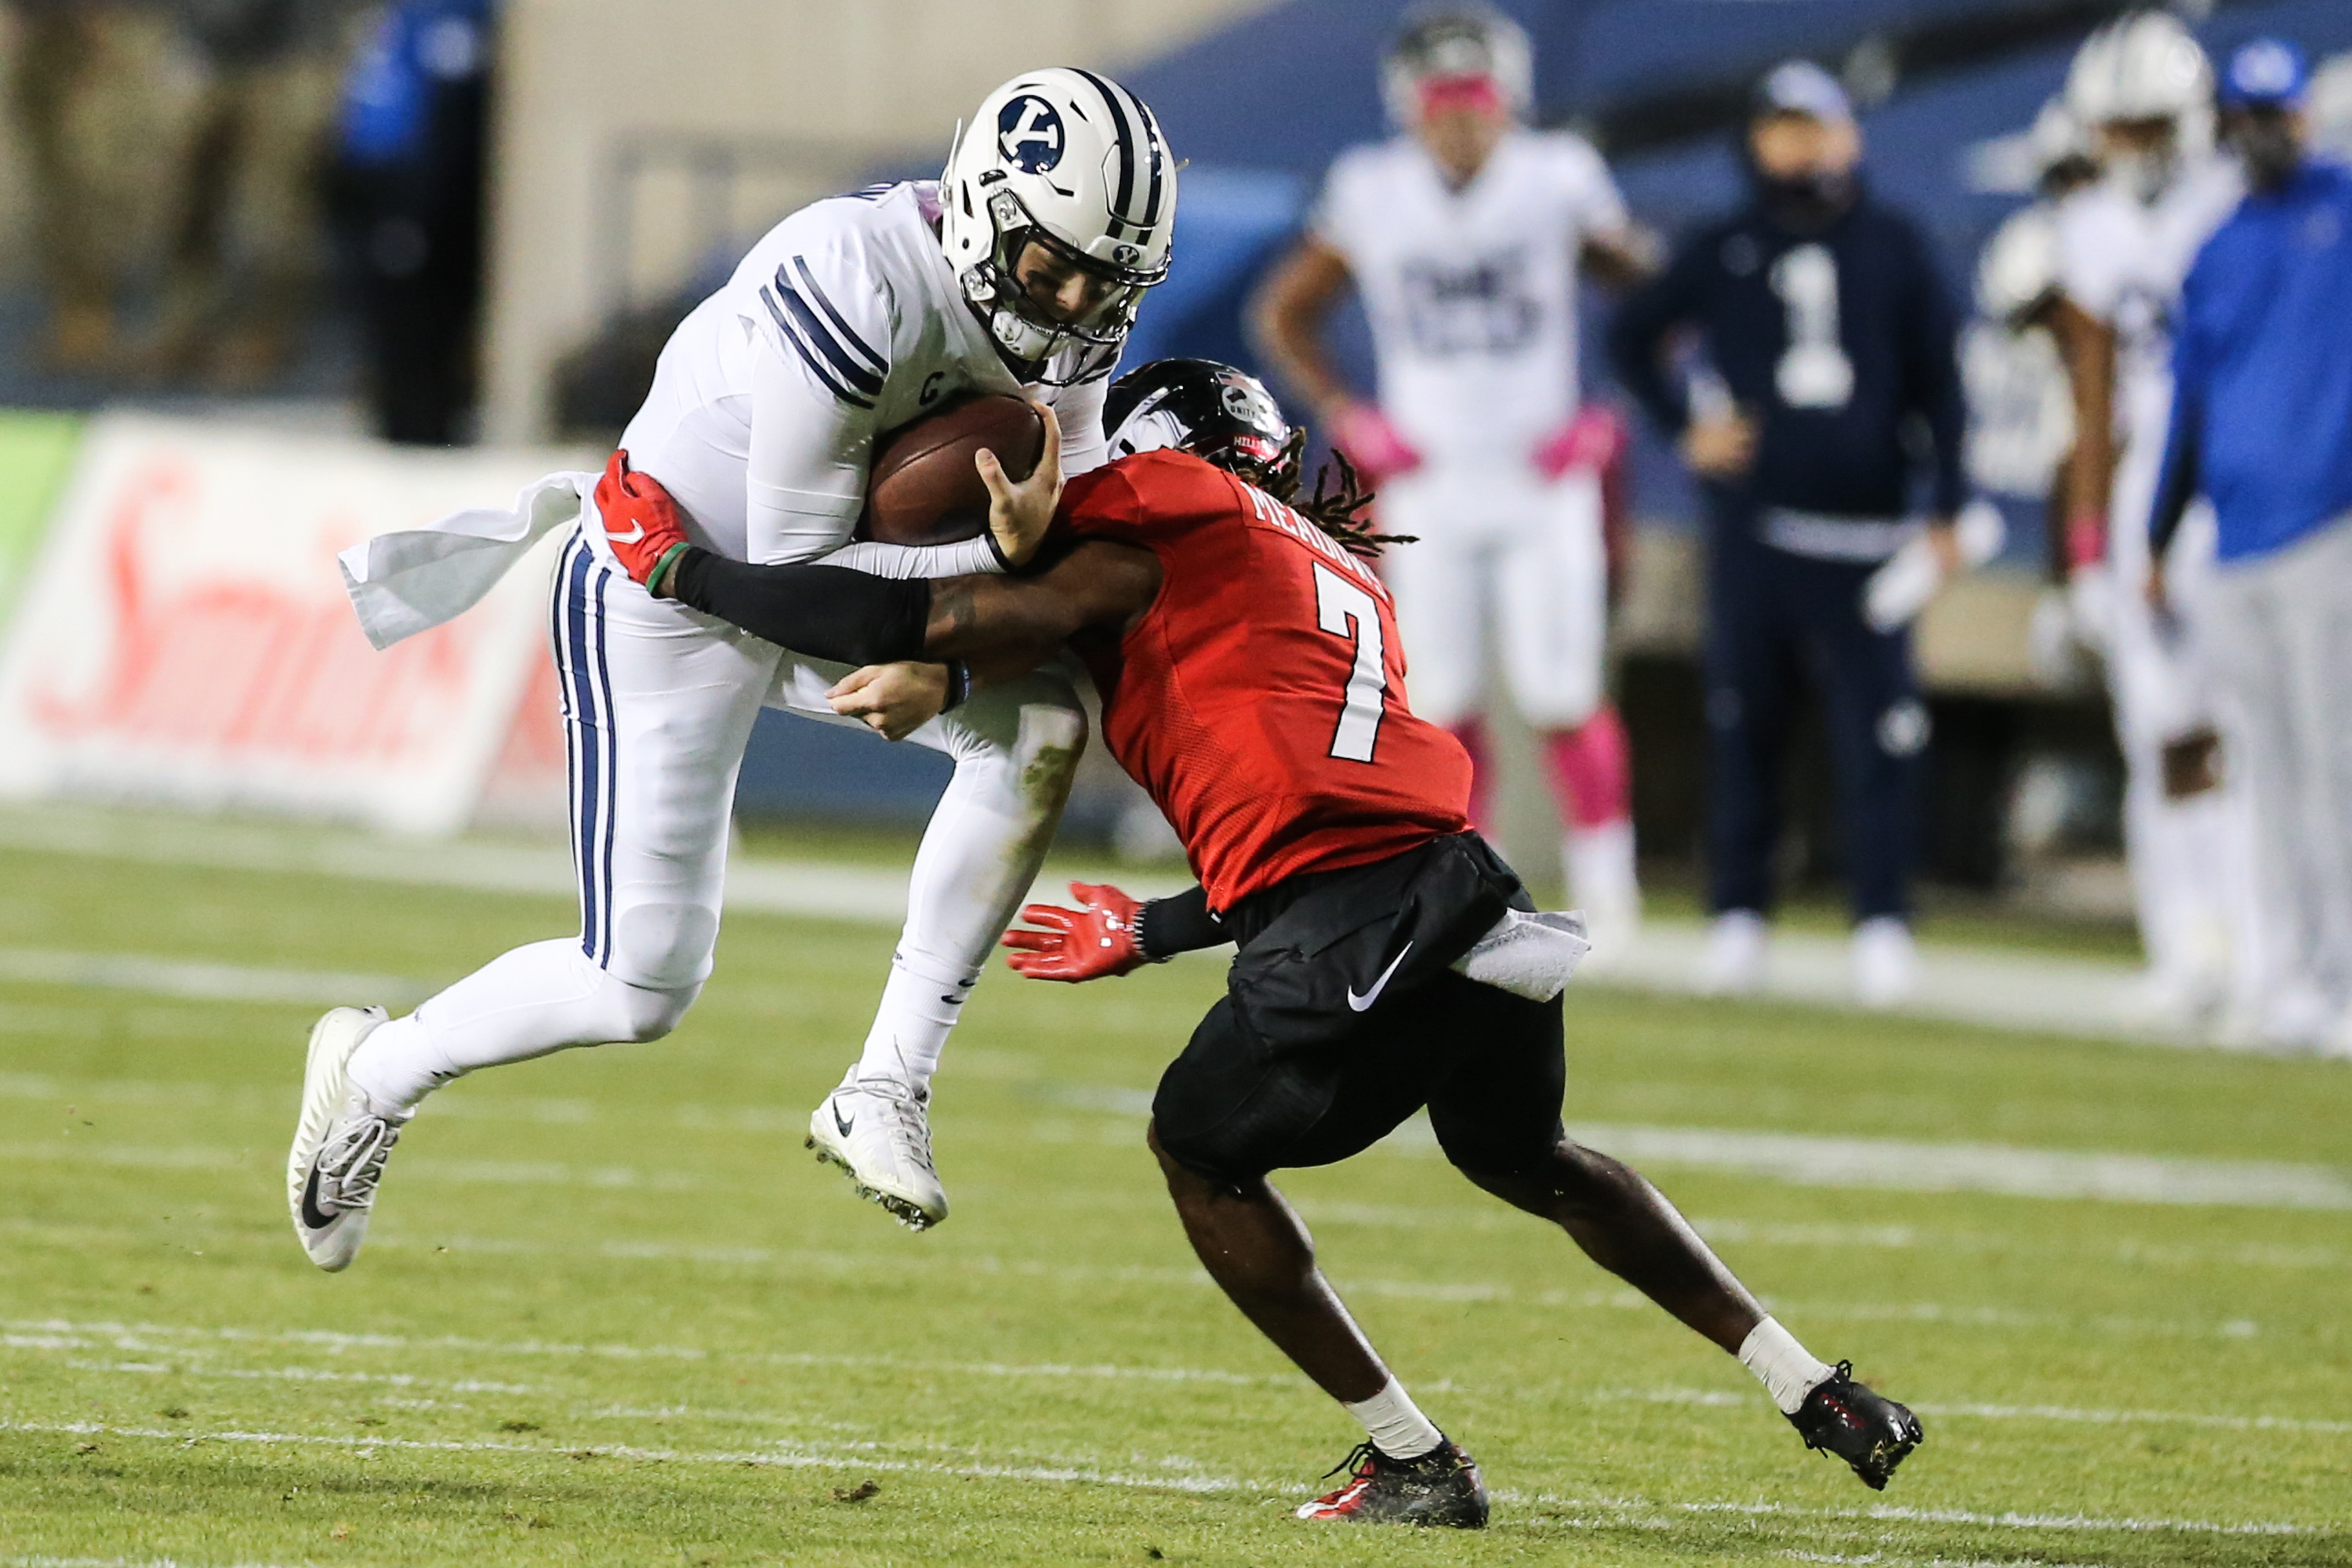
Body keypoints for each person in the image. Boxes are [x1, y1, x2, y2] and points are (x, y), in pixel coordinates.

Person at [592, 357, 1925, 1524]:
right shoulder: (1329, 566)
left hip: (1352, 914)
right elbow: (1288, 784)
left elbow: (949, 616)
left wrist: (685, 570)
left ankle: (1414, 1461)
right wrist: (1153, 916)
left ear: (1155, 454)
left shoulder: (1158, 510)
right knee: (1531, 1156)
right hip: (1466, 893)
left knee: (1201, 1149)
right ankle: (1816, 1389)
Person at [289, 68, 1179, 1267]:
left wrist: (966, 648)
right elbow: (808, 565)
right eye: (1049, 267)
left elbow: (1039, 545)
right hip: (667, 584)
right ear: (982, 209)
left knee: (1043, 727)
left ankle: (887, 1084)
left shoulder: (1062, 323)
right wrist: (971, 612)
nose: (1073, 304)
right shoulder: (858, 278)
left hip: (822, 588)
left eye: (1104, 283)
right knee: (641, 984)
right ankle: (376, 1069)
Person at [1250, 3, 1651, 956]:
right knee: (1443, 700)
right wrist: (1351, 412)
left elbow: (1655, 300)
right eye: (1444, 100)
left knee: (1562, 689)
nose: (1462, 119)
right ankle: (1482, 892)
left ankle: (1615, 896)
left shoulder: (1558, 179)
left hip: (1539, 473)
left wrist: (1611, 411)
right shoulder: (1372, 189)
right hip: (1429, 482)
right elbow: (1285, 313)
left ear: (1508, 101)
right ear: (1410, 106)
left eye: (1476, 99)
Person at [1608, 62, 1967, 1007]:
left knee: (1878, 738)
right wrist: (1686, 424)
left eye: (1815, 126)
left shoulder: (1893, 245)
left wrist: (1949, 504)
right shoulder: (1726, 244)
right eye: (1782, 127)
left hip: (1870, 538)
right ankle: (1739, 915)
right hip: (1759, 533)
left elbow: (1943, 382)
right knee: (1746, 726)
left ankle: (1882, 919)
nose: (1800, 145)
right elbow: (1630, 334)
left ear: (1847, 136)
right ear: (1756, 140)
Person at [2045, 11, 2263, 1031]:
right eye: (2116, 128)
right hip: (2148, 501)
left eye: (2146, 126)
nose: (2131, 146)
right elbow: (2092, 391)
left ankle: (2269, 947)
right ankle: (2189, 944)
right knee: (2162, 729)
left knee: (2261, 732)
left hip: (2248, 489)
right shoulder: (2088, 228)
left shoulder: (2240, 201)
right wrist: (2087, 542)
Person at [2150, 39, 2352, 1054]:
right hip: (2238, 537)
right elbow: (2187, 404)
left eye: (2281, 110)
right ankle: (2293, 980)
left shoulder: (2348, 210)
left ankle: (2344, 979)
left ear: (2305, 115)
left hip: (2333, 527)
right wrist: (2156, 532)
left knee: (2337, 765)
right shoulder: (2218, 245)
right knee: (2272, 775)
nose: (2268, 130)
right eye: (2250, 112)